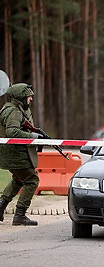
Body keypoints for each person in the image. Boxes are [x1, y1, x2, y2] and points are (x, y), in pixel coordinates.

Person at [0, 83, 42, 226]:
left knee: (18, 179)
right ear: (20, 97)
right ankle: (20, 215)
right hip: (16, 153)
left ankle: (1, 207)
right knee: (32, 180)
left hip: (13, 153)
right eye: (28, 96)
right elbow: (12, 132)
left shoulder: (15, 109)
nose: (30, 99)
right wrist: (34, 137)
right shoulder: (14, 112)